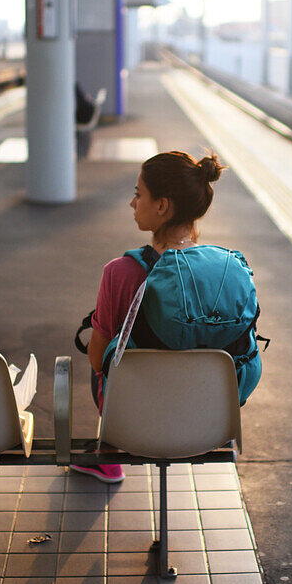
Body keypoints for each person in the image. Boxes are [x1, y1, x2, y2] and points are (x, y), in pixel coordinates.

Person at [70, 149, 226, 483]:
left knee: (107, 362)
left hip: (135, 420)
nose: (132, 203)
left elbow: (98, 360)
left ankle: (108, 455)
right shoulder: (223, 273)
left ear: (162, 206)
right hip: (206, 419)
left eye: (138, 194)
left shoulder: (120, 272)